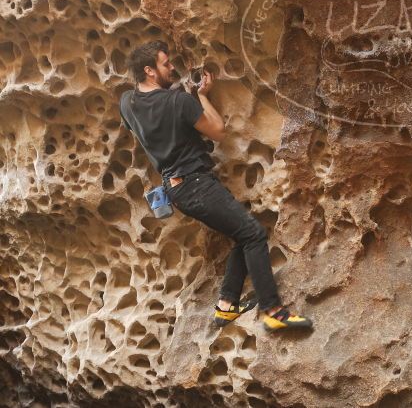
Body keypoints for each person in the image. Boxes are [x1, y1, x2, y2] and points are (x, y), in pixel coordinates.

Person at [118, 40, 312, 332]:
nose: (171, 68)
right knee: (254, 235)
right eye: (165, 64)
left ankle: (226, 306)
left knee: (241, 234)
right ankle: (274, 311)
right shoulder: (178, 102)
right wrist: (202, 97)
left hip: (175, 189)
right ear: (149, 70)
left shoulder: (127, 103)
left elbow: (138, 129)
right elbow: (218, 131)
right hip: (196, 183)